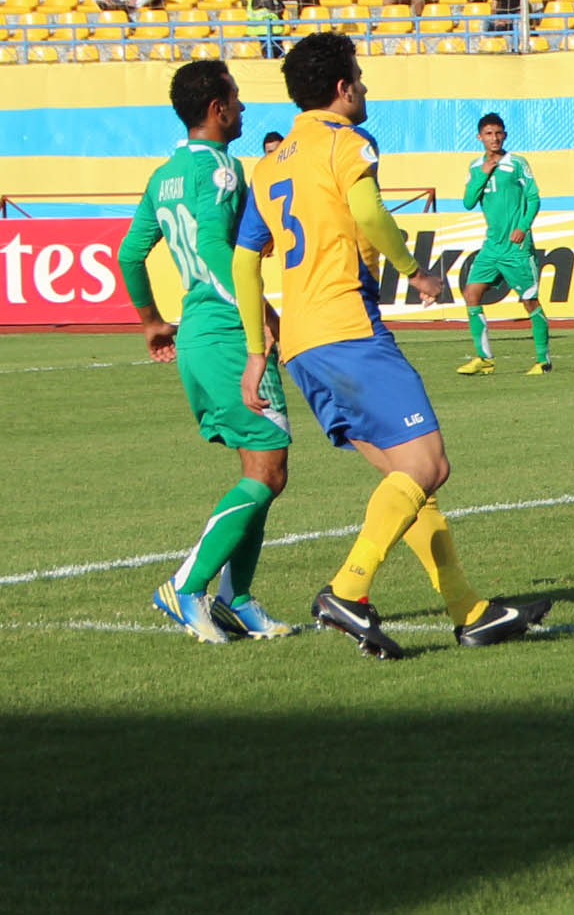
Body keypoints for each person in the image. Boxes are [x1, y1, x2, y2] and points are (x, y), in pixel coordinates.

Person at [233, 33, 550, 657]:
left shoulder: (268, 164)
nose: (367, 87)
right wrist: (414, 269)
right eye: (360, 76)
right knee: (429, 464)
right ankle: (347, 592)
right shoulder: (347, 142)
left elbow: (245, 262)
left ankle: (470, 611)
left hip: (301, 346)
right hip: (349, 329)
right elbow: (370, 213)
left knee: (410, 480)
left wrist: (255, 350)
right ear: (342, 88)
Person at [119, 61, 298, 644]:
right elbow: (214, 246)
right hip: (226, 332)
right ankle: (187, 583)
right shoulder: (222, 169)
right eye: (238, 100)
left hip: (196, 333)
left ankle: (237, 599)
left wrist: (151, 322)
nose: (243, 110)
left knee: (261, 470)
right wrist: (261, 314)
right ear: (218, 109)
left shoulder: (164, 174)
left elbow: (130, 254)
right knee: (268, 471)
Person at [456, 112, 553, 377]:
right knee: (471, 294)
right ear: (480, 137)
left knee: (530, 301)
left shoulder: (517, 164)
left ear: (505, 135)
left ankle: (543, 360)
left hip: (516, 248)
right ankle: (485, 359)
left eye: (498, 133)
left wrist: (523, 227)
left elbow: (533, 198)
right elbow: (467, 201)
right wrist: (482, 174)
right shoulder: (476, 167)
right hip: (491, 247)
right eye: (489, 133)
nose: (494, 138)